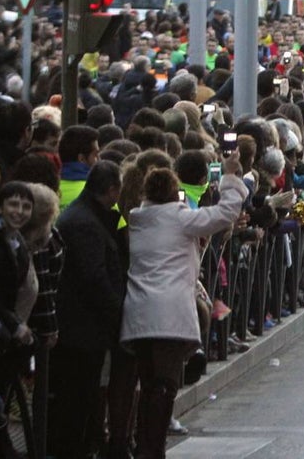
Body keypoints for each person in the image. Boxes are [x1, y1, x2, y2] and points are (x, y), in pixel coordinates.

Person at [120, 156, 244, 459]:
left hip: (138, 313)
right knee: (165, 385)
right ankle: (152, 448)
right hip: (171, 315)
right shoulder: (181, 218)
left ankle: (144, 444)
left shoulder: (136, 220)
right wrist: (230, 178)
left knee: (148, 383)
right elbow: (226, 212)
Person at [49, 160, 126, 459]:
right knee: (76, 396)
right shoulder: (84, 223)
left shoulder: (91, 216)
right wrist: (117, 312)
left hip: (86, 328)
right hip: (80, 329)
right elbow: (93, 277)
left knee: (84, 394)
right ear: (110, 190)